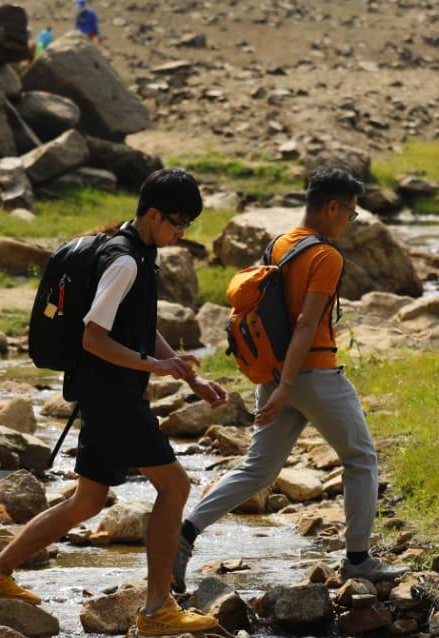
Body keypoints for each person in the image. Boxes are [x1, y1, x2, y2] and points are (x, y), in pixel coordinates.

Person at [0, 169, 231, 637]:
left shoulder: (139, 254)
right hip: (112, 396)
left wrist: (191, 378)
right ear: (152, 214)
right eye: (177, 222)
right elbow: (94, 338)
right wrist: (154, 367)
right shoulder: (125, 261)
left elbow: (140, 327)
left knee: (87, 501)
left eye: (187, 224)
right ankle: (156, 610)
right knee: (175, 488)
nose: (181, 233)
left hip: (106, 392)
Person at [173, 166, 407, 593]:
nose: (349, 222)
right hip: (314, 374)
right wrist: (286, 389)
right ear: (332, 206)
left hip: (278, 371)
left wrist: (279, 384)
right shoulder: (326, 256)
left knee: (258, 470)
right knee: (361, 459)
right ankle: (358, 560)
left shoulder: (279, 244)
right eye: (350, 213)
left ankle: (184, 533)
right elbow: (304, 324)